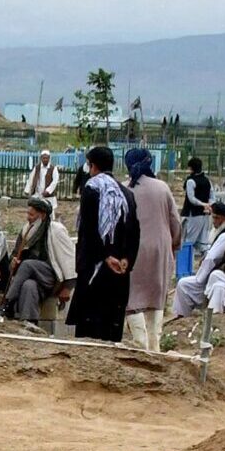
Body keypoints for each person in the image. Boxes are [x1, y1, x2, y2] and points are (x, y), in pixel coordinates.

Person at [65, 145, 139, 341]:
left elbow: (88, 231)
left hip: (95, 269)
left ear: (92, 166)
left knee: (90, 332)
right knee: (111, 328)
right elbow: (135, 232)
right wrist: (127, 259)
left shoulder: (92, 189)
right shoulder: (127, 194)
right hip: (120, 270)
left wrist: (105, 257)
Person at [122, 148, 181, 352]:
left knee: (132, 297)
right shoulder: (162, 188)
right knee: (156, 297)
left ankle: (141, 342)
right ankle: (154, 345)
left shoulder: (124, 189)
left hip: (132, 249)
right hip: (159, 249)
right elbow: (175, 222)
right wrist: (174, 245)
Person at [0, 197, 76, 330]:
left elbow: (69, 258)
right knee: (29, 286)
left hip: (52, 277)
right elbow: (15, 254)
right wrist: (13, 262)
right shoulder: (26, 231)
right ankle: (30, 323)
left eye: (31, 214)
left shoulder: (56, 230)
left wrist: (68, 287)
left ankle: (7, 303)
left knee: (28, 264)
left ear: (42, 215)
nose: (28, 218)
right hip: (33, 278)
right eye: (27, 214)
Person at [173, 202, 225, 322]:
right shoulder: (222, 234)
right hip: (216, 276)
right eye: (213, 217)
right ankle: (182, 319)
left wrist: (199, 278)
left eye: (217, 218)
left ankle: (185, 318)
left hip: (221, 278)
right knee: (184, 284)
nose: (214, 221)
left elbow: (211, 259)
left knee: (186, 285)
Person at [180, 156, 214, 278]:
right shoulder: (207, 180)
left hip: (192, 214)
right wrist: (208, 205)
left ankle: (184, 270)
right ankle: (206, 269)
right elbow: (212, 196)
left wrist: (203, 204)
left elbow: (191, 198)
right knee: (203, 243)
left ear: (191, 168)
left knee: (188, 241)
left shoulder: (190, 181)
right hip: (205, 214)